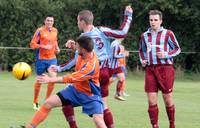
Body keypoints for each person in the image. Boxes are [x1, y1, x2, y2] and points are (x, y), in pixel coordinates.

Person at [64, 6, 133, 128]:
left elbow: (122, 33)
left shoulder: (100, 31)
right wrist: (74, 46)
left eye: (77, 21)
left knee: (65, 98)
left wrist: (128, 15)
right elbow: (87, 52)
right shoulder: (85, 37)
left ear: (82, 21)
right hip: (104, 71)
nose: (77, 23)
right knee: (103, 104)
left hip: (93, 73)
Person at [22, 36, 107, 128]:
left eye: (78, 47)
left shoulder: (91, 67)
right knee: (48, 103)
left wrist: (50, 79)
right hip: (75, 90)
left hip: (90, 95)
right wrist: (73, 47)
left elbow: (70, 78)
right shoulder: (84, 53)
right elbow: (75, 58)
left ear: (83, 49)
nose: (76, 49)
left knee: (99, 122)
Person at [139, 10, 181, 128]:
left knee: (167, 98)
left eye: (155, 20)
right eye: (151, 20)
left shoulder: (168, 33)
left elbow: (177, 49)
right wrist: (143, 60)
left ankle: (172, 124)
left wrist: (166, 54)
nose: (153, 22)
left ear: (161, 21)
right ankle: (155, 126)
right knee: (151, 100)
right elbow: (141, 51)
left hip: (165, 69)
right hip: (150, 70)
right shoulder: (144, 35)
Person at [30, 15, 60, 110]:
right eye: (48, 20)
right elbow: (32, 44)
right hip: (41, 59)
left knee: (53, 79)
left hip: (52, 59)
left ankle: (47, 101)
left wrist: (57, 48)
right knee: (39, 81)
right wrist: (43, 46)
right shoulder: (40, 31)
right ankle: (35, 102)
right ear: (45, 21)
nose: (49, 22)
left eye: (51, 21)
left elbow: (55, 41)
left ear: (53, 22)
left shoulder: (55, 30)